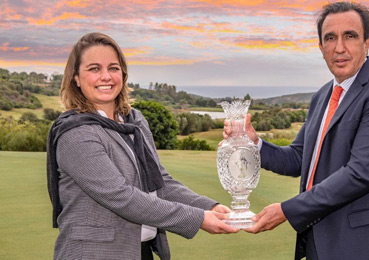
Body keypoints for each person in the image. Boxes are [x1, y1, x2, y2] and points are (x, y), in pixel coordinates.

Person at [223, 2, 369, 260]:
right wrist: (255, 143)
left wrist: (286, 210)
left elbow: (360, 174)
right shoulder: (322, 96)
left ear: (367, 43)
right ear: (321, 47)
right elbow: (299, 159)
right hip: (321, 242)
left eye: (350, 36)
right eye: (330, 38)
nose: (339, 47)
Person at [46, 32, 238, 260]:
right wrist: (198, 218)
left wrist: (210, 206)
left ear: (123, 74)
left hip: (140, 251)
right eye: (94, 68)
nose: (106, 76)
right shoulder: (76, 132)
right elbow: (121, 196)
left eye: (114, 68)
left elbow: (160, 182)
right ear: (76, 77)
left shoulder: (134, 121)